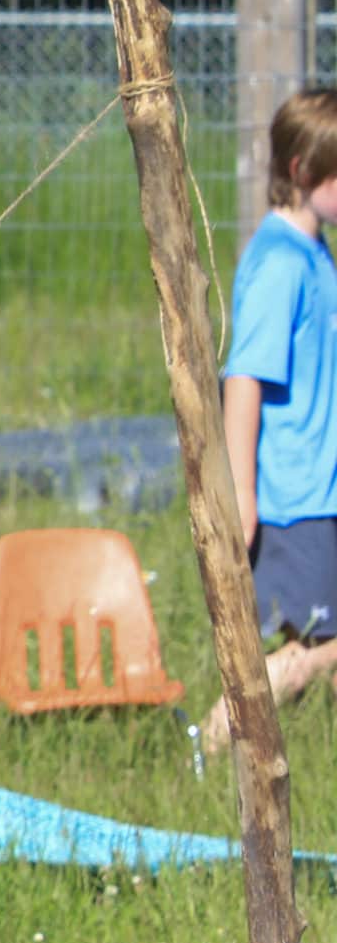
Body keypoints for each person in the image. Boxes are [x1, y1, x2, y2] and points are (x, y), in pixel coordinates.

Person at [206, 86, 337, 752]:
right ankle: (217, 731)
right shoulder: (279, 263)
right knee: (327, 645)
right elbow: (244, 379)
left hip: (321, 487)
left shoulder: (316, 254)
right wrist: (242, 497)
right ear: (302, 172)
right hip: (293, 497)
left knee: (317, 642)